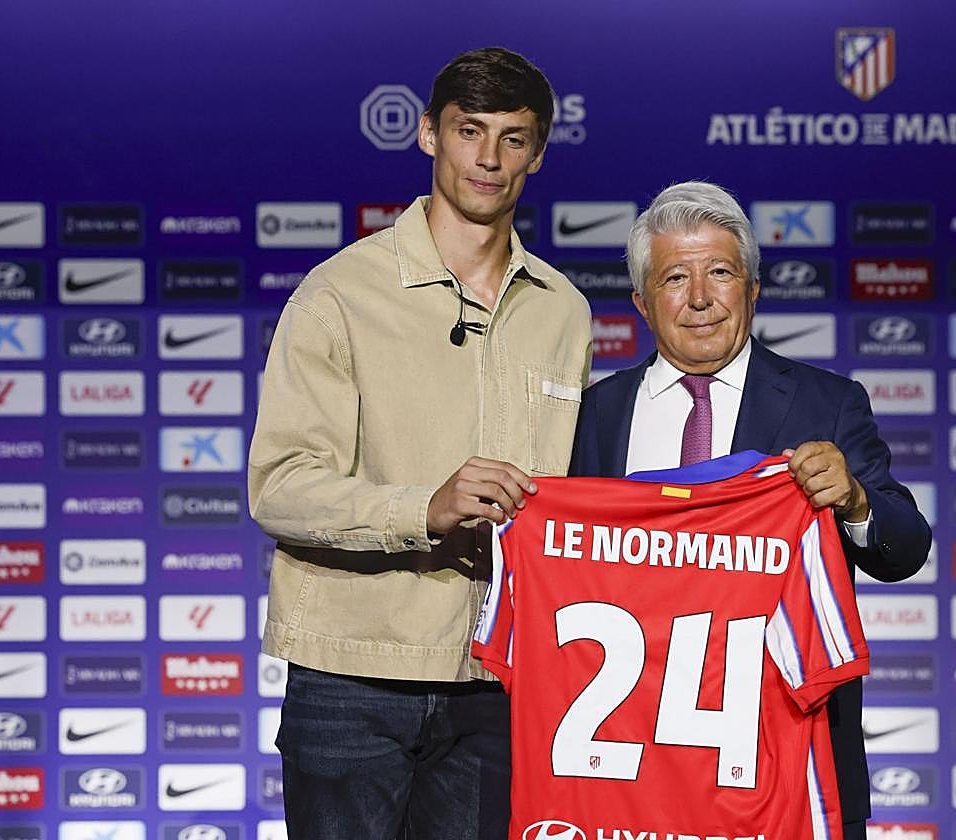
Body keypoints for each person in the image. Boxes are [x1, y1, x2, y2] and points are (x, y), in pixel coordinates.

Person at [248, 47, 592, 839]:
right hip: (352, 670)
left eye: (514, 137)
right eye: (470, 130)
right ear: (428, 136)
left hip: (497, 677)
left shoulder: (564, 312)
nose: (489, 157)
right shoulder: (339, 293)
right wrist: (424, 509)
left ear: (537, 154)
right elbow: (281, 484)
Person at [569, 180, 931, 840]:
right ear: (644, 305)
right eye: (675, 277)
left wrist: (854, 500)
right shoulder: (594, 414)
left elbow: (905, 547)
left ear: (753, 290)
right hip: (629, 771)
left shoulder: (828, 402)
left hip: (789, 763)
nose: (701, 298)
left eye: (720, 274)